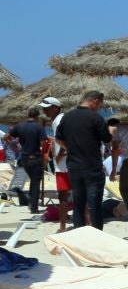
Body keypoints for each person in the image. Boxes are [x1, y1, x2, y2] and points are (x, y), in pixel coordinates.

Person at [55, 91, 113, 230]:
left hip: (74, 166)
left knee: (78, 204)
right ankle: (97, 236)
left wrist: (70, 148)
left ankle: (79, 235)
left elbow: (58, 138)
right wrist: (111, 131)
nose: (99, 107)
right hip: (92, 166)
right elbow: (107, 139)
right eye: (100, 104)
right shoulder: (96, 118)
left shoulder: (67, 117)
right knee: (94, 204)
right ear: (95, 101)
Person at [4, 107, 47, 213]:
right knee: (36, 182)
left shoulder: (20, 125)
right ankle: (34, 207)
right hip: (35, 157)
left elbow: (5, 137)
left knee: (33, 180)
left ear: (28, 115)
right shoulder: (39, 127)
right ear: (37, 117)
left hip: (23, 158)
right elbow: (43, 143)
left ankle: (31, 203)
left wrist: (15, 148)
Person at [40, 97, 70, 231]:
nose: (44, 110)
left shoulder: (58, 121)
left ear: (56, 108)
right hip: (69, 162)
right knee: (79, 194)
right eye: (43, 108)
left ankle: (62, 227)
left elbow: (65, 139)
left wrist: (58, 156)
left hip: (64, 164)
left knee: (63, 195)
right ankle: (86, 224)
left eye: (47, 108)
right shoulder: (61, 119)